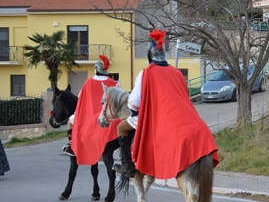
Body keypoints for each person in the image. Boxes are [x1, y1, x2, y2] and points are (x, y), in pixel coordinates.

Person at [113, 28, 218, 180]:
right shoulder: (176, 72)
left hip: (159, 118)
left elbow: (133, 104)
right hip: (184, 117)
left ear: (149, 55)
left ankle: (128, 166)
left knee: (120, 128)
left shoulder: (146, 73)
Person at [64, 55, 120, 168]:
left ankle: (70, 145)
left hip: (91, 117)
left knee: (70, 121)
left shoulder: (88, 83)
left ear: (96, 69)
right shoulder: (113, 82)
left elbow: (80, 98)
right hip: (110, 117)